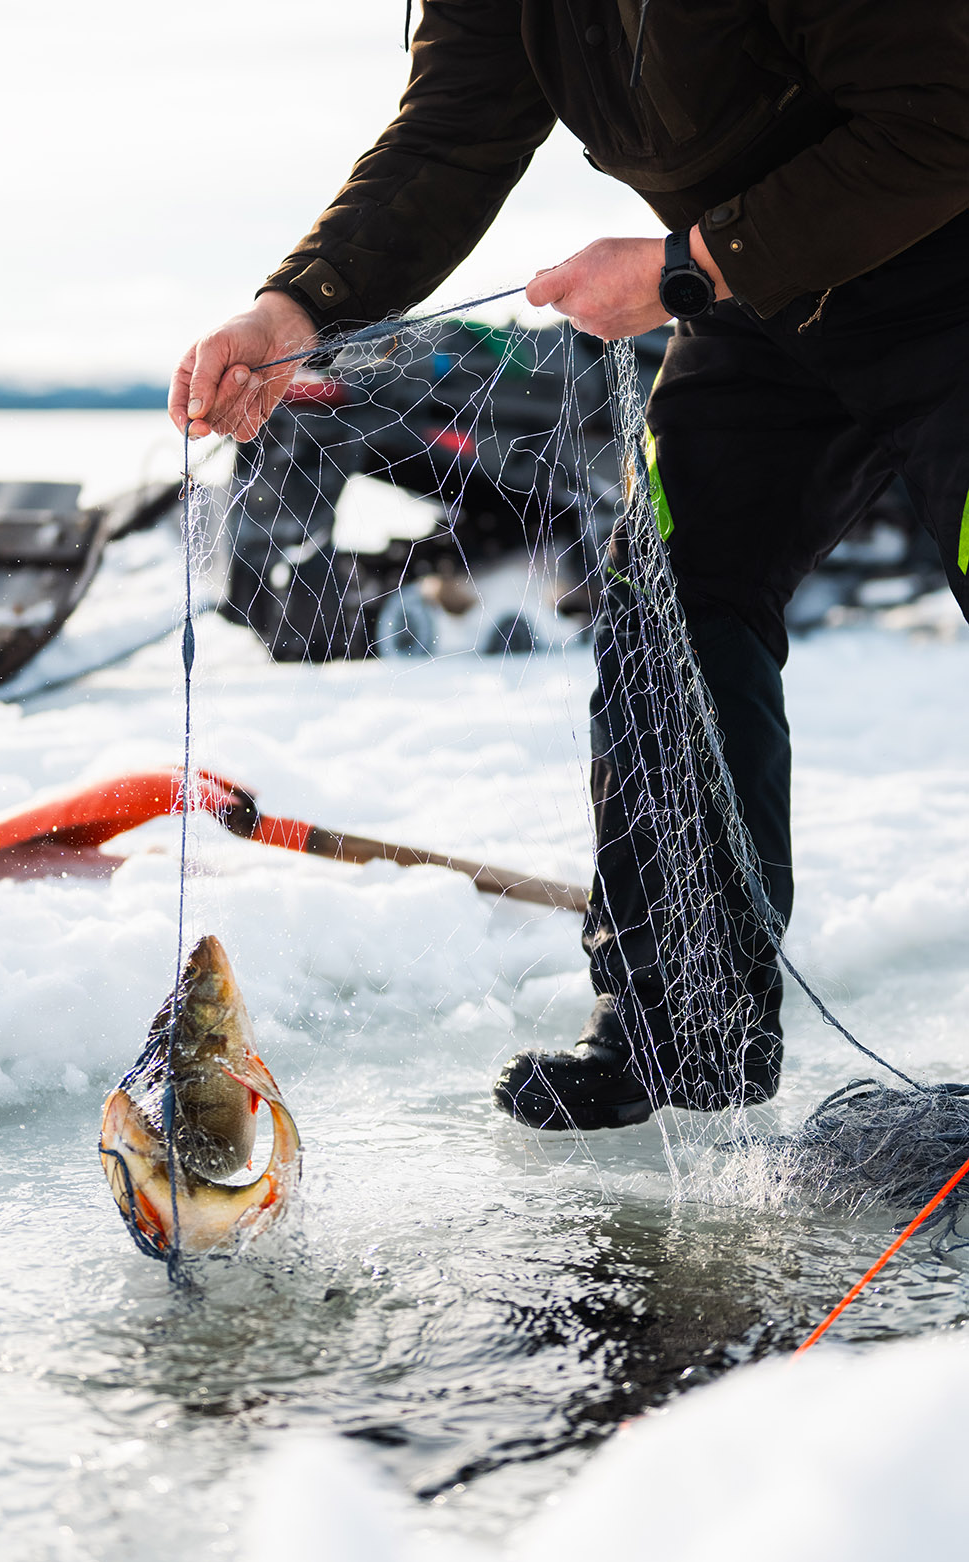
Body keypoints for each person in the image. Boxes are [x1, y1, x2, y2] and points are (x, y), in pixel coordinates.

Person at [169, 2, 969, 1131]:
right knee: (668, 613)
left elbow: (945, 117)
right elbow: (451, 135)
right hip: (761, 306)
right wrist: (295, 306)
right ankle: (682, 1033)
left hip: (938, 255)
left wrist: (687, 267)